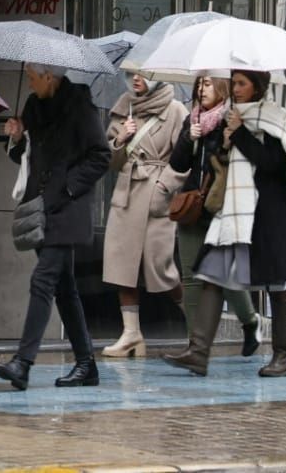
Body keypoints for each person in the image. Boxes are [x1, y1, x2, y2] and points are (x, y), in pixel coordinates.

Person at [164, 70, 286, 378]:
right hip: (233, 212)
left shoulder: (275, 117)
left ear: (258, 87)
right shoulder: (230, 117)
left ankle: (281, 357)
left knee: (276, 286)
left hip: (267, 215)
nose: (236, 89)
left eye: (242, 83)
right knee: (213, 275)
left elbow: (274, 165)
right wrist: (223, 138)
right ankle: (199, 352)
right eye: (233, 83)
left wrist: (241, 134)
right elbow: (220, 160)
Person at [0, 64, 110, 390]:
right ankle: (87, 365)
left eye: (33, 76)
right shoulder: (33, 106)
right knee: (64, 289)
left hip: (68, 210)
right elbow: (26, 158)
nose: (29, 81)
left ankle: (23, 363)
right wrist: (16, 139)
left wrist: (69, 187)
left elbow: (101, 156)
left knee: (43, 280)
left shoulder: (80, 106)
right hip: (40, 208)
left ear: (50, 76)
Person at [168, 75, 263, 356]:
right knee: (191, 277)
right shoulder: (193, 119)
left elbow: (241, 162)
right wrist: (188, 138)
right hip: (192, 206)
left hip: (220, 206)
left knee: (224, 275)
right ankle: (196, 347)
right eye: (200, 84)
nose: (201, 89)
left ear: (221, 87)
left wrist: (224, 140)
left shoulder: (232, 118)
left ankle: (250, 321)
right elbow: (177, 163)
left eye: (208, 83)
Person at [101, 73, 189, 358]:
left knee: (161, 267)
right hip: (126, 195)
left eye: (143, 73)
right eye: (130, 73)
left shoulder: (175, 110)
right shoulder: (122, 108)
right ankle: (131, 334)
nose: (135, 78)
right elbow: (110, 161)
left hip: (157, 197)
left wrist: (165, 185)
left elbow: (186, 155)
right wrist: (121, 140)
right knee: (122, 267)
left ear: (157, 76)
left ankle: (199, 328)